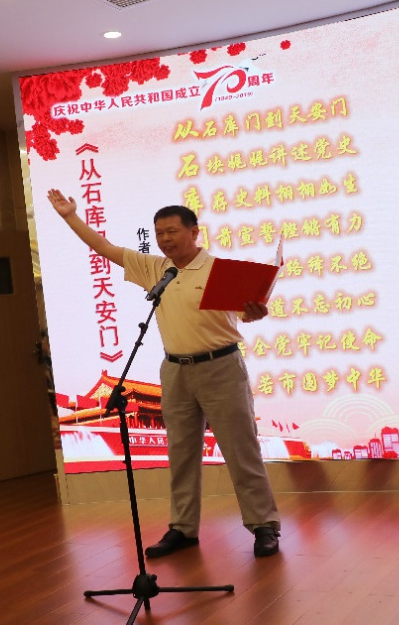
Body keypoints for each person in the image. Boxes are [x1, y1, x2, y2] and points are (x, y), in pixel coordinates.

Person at [47, 189, 281, 558]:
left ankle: (263, 525)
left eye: (172, 231)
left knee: (241, 451)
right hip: (174, 371)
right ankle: (183, 528)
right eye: (159, 233)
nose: (165, 239)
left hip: (221, 367)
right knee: (181, 453)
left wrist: (255, 312)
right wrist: (69, 216)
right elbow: (104, 248)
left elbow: (247, 314)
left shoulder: (222, 271)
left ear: (194, 232)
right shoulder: (157, 269)